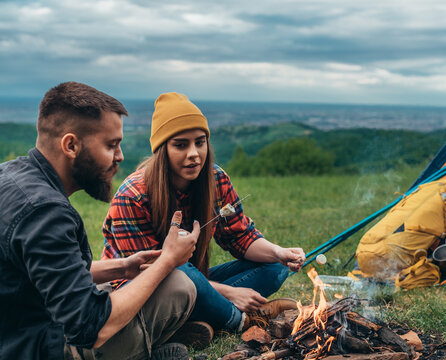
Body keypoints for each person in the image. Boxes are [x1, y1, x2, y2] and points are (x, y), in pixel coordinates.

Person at [0, 82, 200, 360]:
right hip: (36, 346)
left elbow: (50, 275)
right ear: (71, 145)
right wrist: (167, 259)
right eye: (111, 145)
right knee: (178, 288)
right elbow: (91, 326)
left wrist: (122, 267)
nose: (120, 156)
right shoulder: (45, 214)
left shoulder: (10, 176)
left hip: (23, 324)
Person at [101, 92, 306, 337]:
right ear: (161, 149)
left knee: (276, 266)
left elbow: (240, 237)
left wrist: (278, 252)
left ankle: (196, 320)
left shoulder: (216, 179)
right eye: (180, 145)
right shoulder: (132, 195)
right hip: (145, 295)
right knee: (180, 269)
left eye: (200, 142)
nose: (194, 154)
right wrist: (229, 293)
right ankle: (240, 322)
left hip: (196, 282)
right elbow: (152, 272)